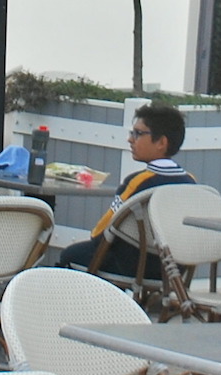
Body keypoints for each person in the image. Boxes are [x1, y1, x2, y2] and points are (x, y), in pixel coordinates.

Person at [59, 102, 196, 274]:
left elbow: (102, 232)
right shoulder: (190, 183)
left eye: (138, 133)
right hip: (172, 269)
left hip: (131, 266)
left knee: (70, 255)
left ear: (161, 142)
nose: (130, 139)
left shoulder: (138, 182)